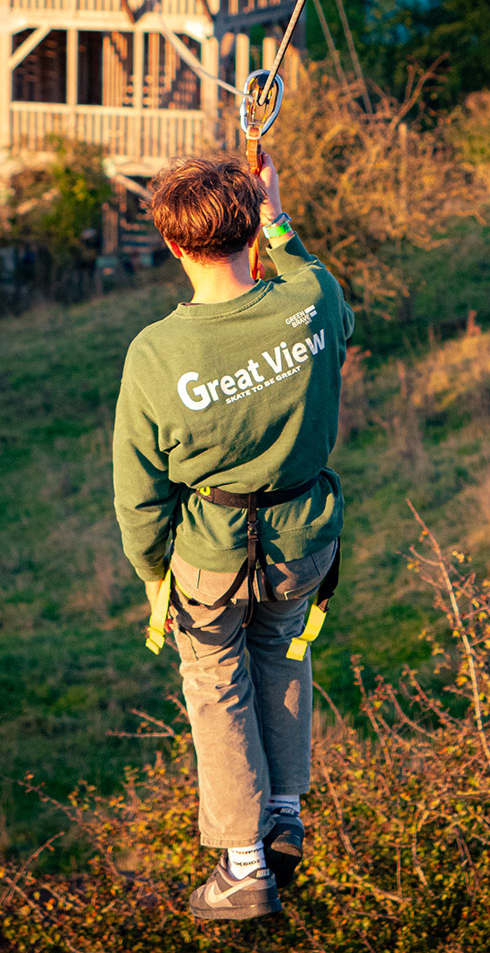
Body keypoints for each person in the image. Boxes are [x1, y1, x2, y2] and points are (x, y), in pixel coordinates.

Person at [112, 152, 354, 921]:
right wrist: (278, 218)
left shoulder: (156, 353)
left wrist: (153, 571)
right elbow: (320, 289)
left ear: (172, 245)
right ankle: (283, 813)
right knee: (283, 650)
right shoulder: (312, 298)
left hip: (212, 555)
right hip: (305, 540)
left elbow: (139, 490)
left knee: (217, 684)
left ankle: (244, 869)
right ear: (251, 229)